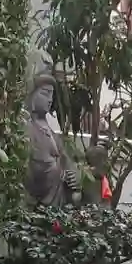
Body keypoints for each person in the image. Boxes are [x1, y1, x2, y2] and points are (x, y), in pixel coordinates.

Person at [26, 73, 78, 207]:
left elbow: (65, 158)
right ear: (32, 95)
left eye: (51, 95)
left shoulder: (51, 132)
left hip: (57, 197)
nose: (49, 100)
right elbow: (32, 168)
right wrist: (57, 172)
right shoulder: (27, 128)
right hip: (40, 197)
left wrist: (72, 175)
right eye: (45, 94)